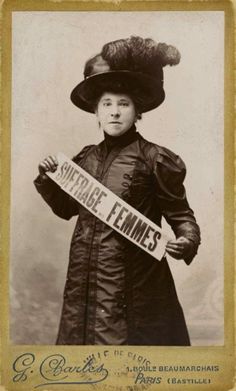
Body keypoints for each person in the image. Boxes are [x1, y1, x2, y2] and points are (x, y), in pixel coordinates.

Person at [34, 36, 201, 346]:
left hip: (134, 287)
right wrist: (47, 178)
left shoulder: (156, 159)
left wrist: (187, 239)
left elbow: (180, 214)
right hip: (83, 285)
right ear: (96, 112)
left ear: (137, 111)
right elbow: (66, 208)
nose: (114, 112)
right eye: (106, 104)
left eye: (123, 104)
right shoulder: (84, 158)